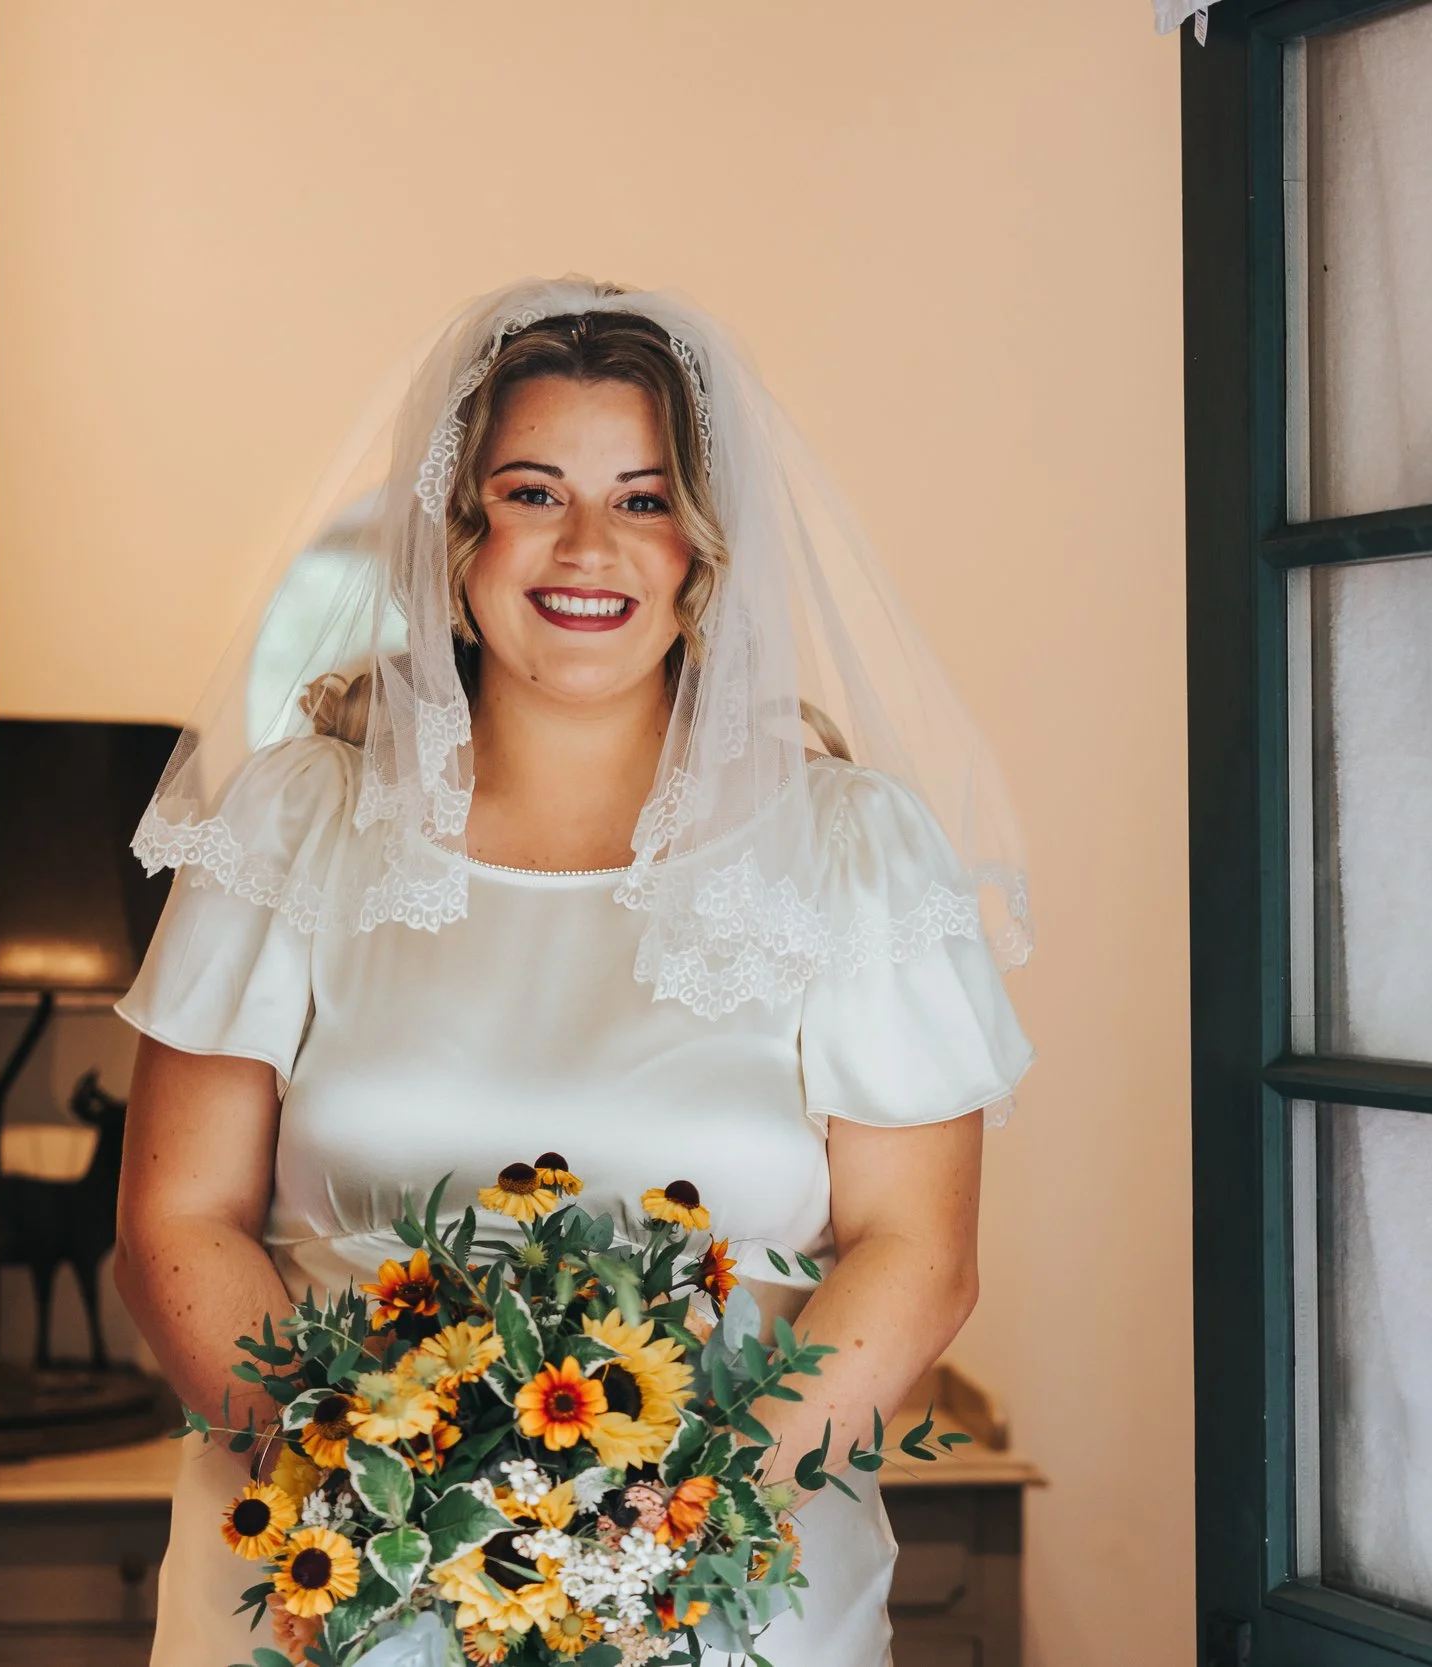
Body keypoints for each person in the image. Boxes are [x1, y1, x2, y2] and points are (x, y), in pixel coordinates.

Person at [112, 278, 1033, 1667]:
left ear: (707, 549)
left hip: (723, 1593)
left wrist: (663, 1534)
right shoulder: (295, 824)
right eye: (532, 491)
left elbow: (919, 1251)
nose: (587, 544)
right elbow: (177, 1216)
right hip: (334, 1589)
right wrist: (361, 1496)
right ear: (458, 532)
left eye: (645, 498)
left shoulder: (848, 852)